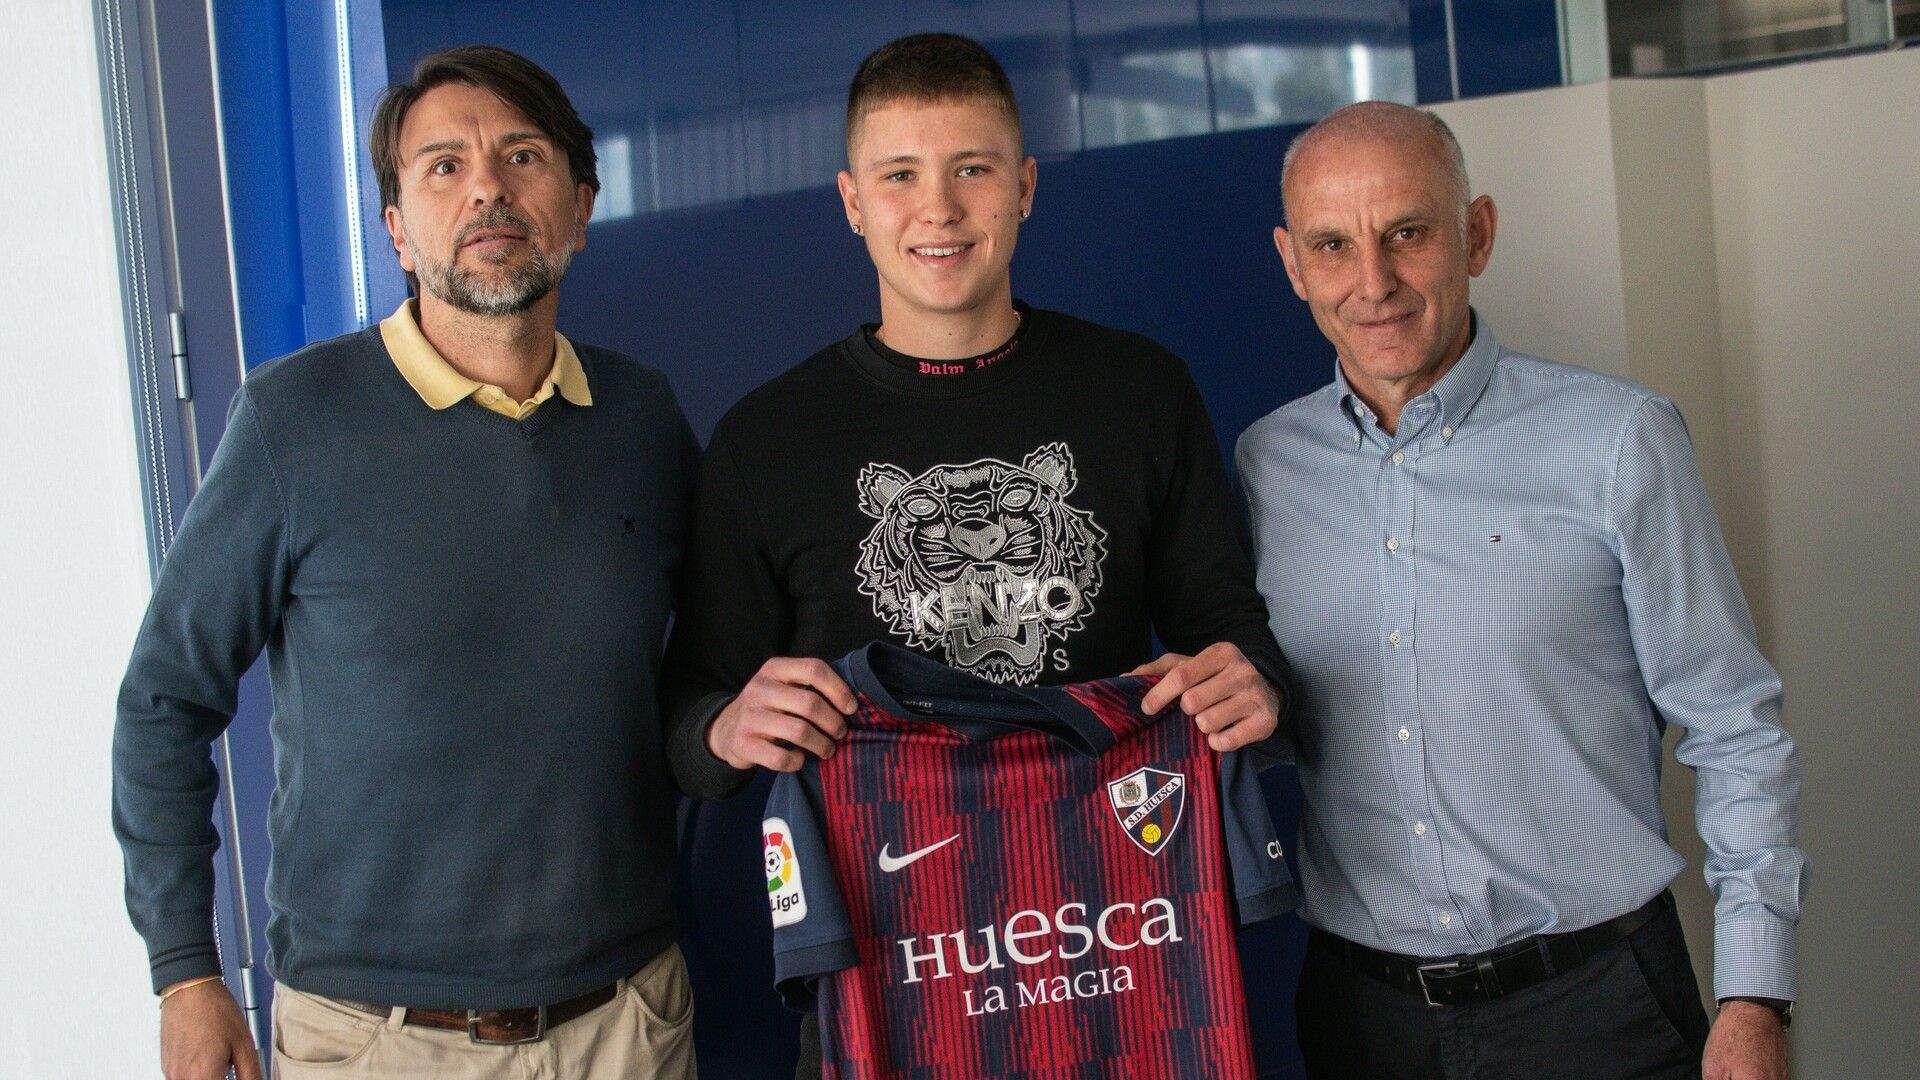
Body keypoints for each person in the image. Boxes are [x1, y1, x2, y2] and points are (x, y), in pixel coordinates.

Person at [659, 33, 1295, 1077]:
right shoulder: (768, 439)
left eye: (973, 169)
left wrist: (1252, 689)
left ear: (1026, 186)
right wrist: (727, 728)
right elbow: (686, 723)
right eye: (901, 175)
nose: (939, 208)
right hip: (891, 969)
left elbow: (1234, 642)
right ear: (853, 200)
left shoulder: (1138, 391)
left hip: (1119, 953)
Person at [114, 45, 703, 1080]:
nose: (486, 187)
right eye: (443, 166)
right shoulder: (292, 422)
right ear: (395, 229)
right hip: (378, 1039)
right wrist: (185, 973)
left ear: (579, 203)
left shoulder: (643, 417)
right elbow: (166, 698)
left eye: (522, 156)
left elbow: (704, 671)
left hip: (629, 1021)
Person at [1236, 100, 1803, 1080]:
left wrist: (1757, 994)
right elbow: (1282, 719)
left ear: (1478, 234)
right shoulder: (1261, 466)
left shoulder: (1619, 441)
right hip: (1363, 1024)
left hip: (1597, 1012)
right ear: (1292, 264)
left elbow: (1734, 725)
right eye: (1334, 246)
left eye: (1407, 233)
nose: (1373, 283)